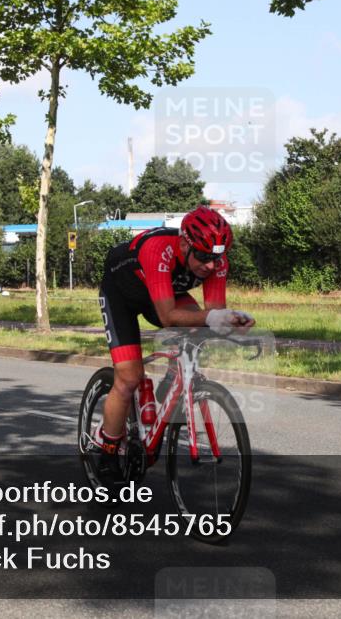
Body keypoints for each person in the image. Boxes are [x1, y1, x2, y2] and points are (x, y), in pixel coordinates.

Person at [94, 206, 255, 485]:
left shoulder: (216, 260)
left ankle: (174, 377)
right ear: (184, 244)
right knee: (129, 377)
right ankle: (107, 449)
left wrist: (232, 324)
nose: (211, 266)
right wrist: (213, 318)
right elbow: (168, 317)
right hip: (122, 295)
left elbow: (213, 312)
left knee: (197, 327)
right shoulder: (159, 249)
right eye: (204, 257)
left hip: (163, 293)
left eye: (217, 258)